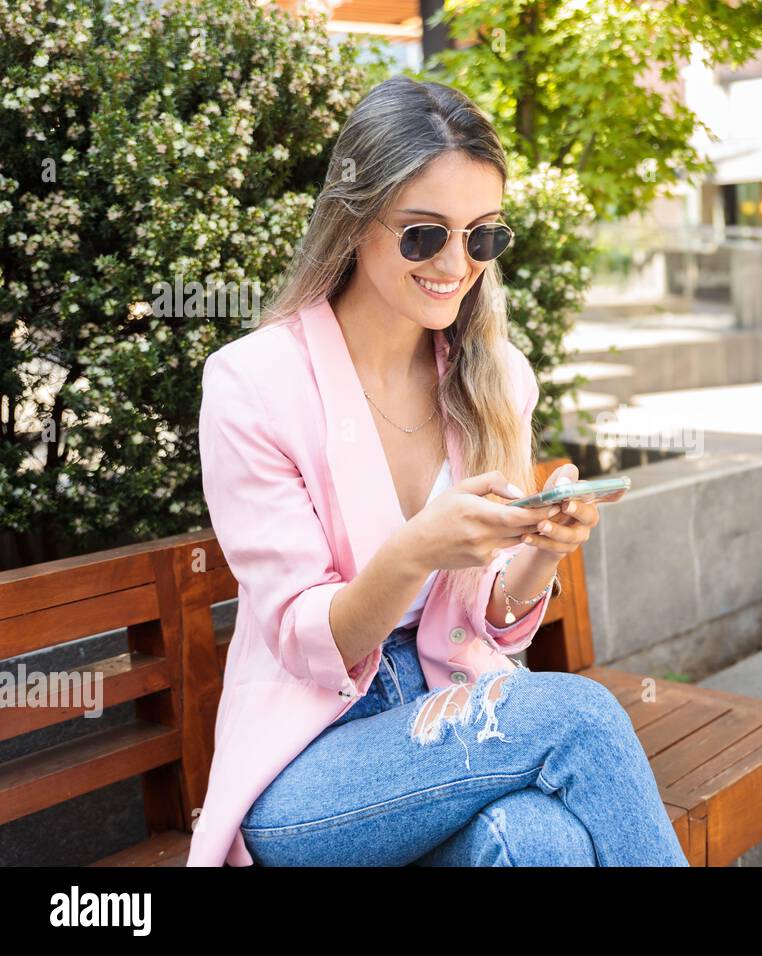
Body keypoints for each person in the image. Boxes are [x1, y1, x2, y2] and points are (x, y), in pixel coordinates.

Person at [186, 75, 688, 867]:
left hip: (451, 723)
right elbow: (302, 638)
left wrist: (544, 546)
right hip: (312, 765)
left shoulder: (494, 376)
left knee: (538, 844)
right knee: (582, 718)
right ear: (353, 222)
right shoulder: (253, 383)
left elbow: (490, 618)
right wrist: (417, 548)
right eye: (424, 235)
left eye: (483, 236)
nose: (457, 263)